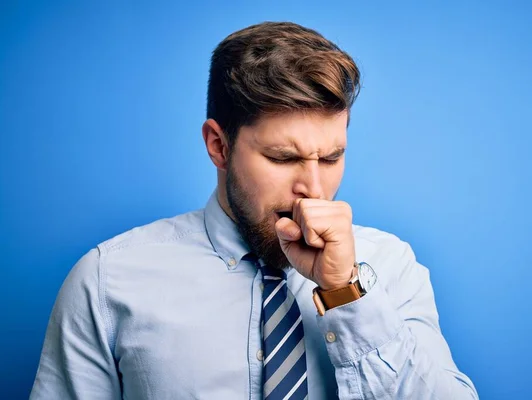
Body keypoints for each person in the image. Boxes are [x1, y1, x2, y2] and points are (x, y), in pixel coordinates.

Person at [30, 21, 478, 399]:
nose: (314, 189)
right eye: (284, 159)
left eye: (331, 157)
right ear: (218, 145)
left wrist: (346, 291)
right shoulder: (107, 281)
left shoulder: (390, 268)